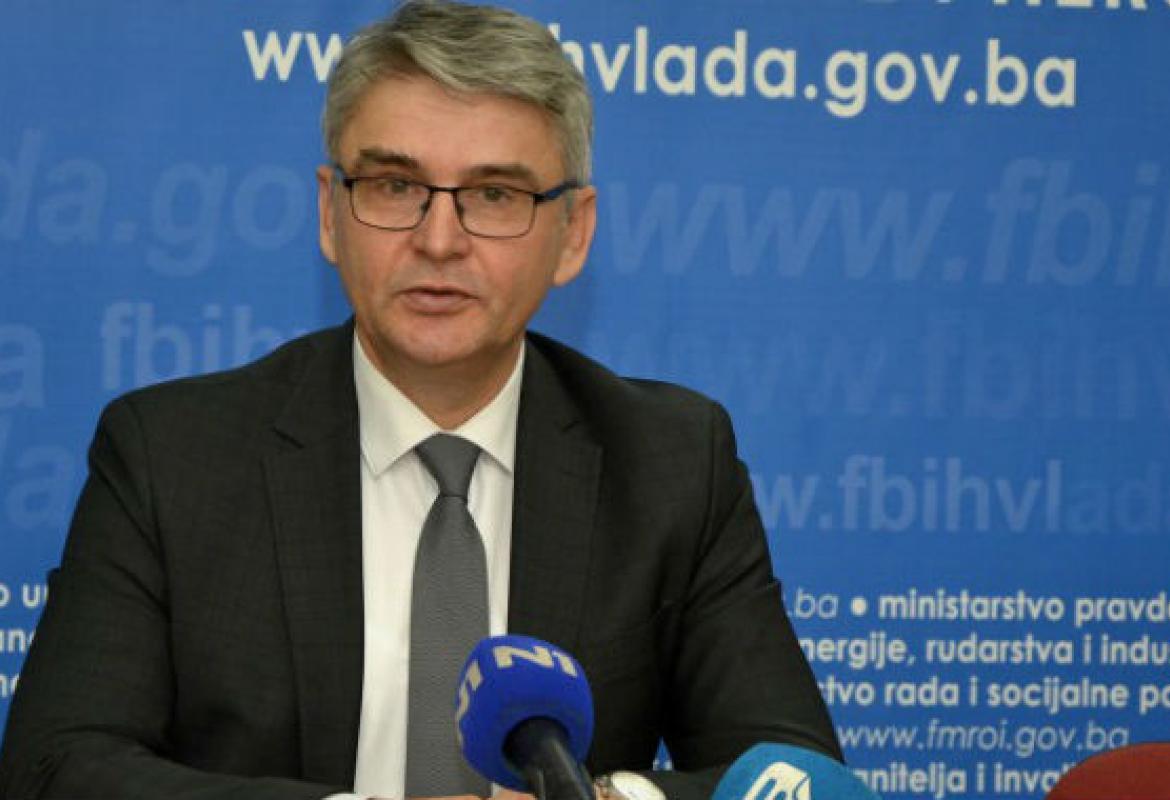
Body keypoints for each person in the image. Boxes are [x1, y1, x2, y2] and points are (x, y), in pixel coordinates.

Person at [0, 2, 841, 799]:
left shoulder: (671, 464)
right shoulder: (169, 456)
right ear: (331, 213)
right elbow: (55, 766)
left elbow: (794, 776)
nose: (439, 241)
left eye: (495, 195)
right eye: (396, 186)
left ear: (573, 234)